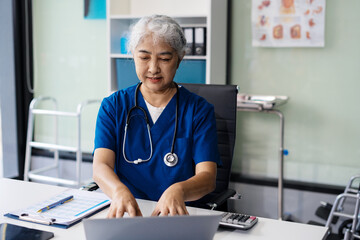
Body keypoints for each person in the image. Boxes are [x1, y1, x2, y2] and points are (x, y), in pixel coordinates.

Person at [93, 15, 220, 218]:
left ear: (179, 59)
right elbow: (101, 166)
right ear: (133, 56)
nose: (153, 68)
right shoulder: (113, 106)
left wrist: (179, 190)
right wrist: (117, 190)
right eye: (144, 57)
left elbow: (207, 177)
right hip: (128, 211)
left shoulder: (198, 110)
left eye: (164, 58)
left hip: (177, 214)